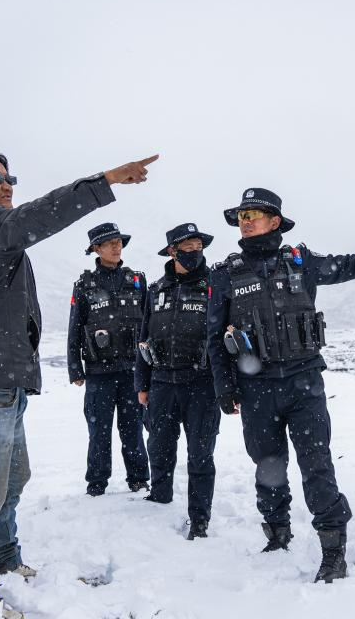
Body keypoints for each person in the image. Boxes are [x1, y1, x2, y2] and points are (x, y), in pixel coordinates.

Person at [0, 149, 156, 617]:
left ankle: (1, 558)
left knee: (9, 479)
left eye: (11, 177)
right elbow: (40, 215)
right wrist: (106, 180)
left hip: (0, 378)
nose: (8, 184)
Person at [206, 187, 355, 583]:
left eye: (252, 215)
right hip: (256, 389)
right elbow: (214, 337)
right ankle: (277, 533)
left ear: (275, 221)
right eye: (240, 216)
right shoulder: (224, 274)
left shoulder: (301, 262)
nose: (245, 222)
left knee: (316, 465)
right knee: (267, 465)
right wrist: (225, 388)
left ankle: (333, 550)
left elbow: (353, 264)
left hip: (303, 382)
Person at [135, 223, 220, 539]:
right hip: (161, 382)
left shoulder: (214, 284)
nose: (195, 251)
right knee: (158, 445)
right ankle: (160, 495)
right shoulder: (156, 289)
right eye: (188, 246)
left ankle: (199, 518)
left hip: (202, 383)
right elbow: (144, 336)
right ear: (173, 251)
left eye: (199, 245)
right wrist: (142, 384)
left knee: (200, 453)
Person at [67, 223, 150, 496]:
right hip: (98, 373)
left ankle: (138, 479)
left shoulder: (137, 281)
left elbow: (149, 326)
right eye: (109, 243)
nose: (116, 247)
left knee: (133, 429)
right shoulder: (84, 286)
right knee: (98, 432)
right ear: (96, 249)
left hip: (132, 370)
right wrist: (75, 369)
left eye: (119, 242)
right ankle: (97, 482)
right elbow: (75, 328)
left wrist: (151, 366)